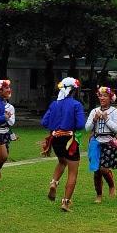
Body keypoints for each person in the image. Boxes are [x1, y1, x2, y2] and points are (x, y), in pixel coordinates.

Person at [41, 77, 85, 212]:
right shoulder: (76, 105)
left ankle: (54, 183)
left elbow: (44, 122)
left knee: (61, 162)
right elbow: (80, 125)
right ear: (73, 90)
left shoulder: (54, 104)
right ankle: (65, 202)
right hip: (69, 141)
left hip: (55, 139)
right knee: (73, 172)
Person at [85, 84, 117, 204]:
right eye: (100, 96)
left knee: (104, 169)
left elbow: (116, 129)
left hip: (109, 141)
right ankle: (98, 195)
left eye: (105, 96)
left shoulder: (115, 112)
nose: (102, 98)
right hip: (96, 141)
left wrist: (106, 119)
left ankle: (111, 185)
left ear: (110, 98)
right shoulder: (94, 111)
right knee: (96, 170)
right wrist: (94, 119)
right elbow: (87, 128)